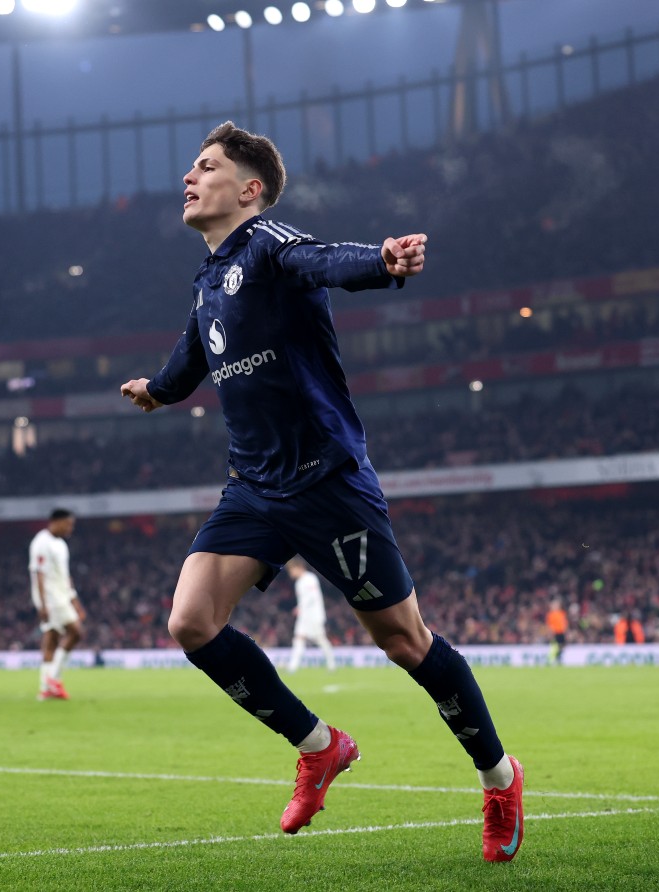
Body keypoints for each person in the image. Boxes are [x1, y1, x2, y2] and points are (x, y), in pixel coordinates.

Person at [120, 122, 523, 862]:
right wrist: (154, 390)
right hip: (254, 488)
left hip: (327, 482)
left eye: (205, 168)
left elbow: (323, 260)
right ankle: (319, 745)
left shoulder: (271, 242)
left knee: (406, 643)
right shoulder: (208, 282)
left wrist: (384, 260)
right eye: (190, 167)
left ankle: (500, 779)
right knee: (190, 622)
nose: (189, 177)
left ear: (249, 189)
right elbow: (187, 368)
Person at [29, 509, 87, 700]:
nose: (70, 528)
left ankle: (46, 687)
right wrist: (43, 605)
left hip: (62, 597)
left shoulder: (61, 544)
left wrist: (75, 601)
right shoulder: (41, 542)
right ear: (56, 522)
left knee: (52, 638)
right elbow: (39, 574)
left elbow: (65, 576)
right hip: (52, 599)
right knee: (76, 632)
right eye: (68, 524)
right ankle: (53, 679)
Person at [286, 557, 336, 673]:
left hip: (314, 616)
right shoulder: (299, 582)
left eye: (291, 570)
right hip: (304, 617)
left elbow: (312, 598)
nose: (290, 573)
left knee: (320, 639)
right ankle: (292, 667)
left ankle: (332, 664)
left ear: (298, 567)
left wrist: (300, 607)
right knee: (298, 638)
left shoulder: (310, 579)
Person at [545, 598, 568, 664]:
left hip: (561, 632)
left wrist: (566, 631)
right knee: (555, 646)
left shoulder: (562, 613)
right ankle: (552, 658)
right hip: (555, 632)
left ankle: (558, 657)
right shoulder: (550, 614)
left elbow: (564, 623)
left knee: (562, 646)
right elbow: (549, 625)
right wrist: (550, 633)